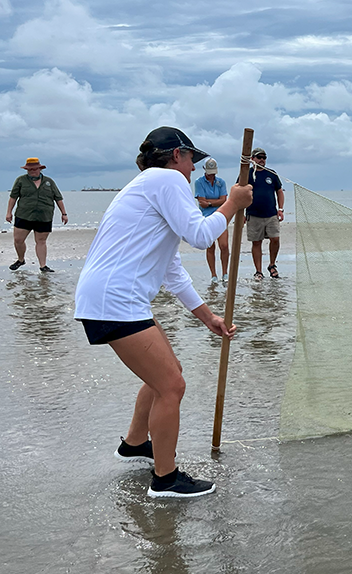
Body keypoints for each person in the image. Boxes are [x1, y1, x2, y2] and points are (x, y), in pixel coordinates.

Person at [74, 126, 253, 499]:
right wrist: (232, 204)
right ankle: (166, 479)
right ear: (177, 155)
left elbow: (171, 267)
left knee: (166, 376)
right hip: (115, 299)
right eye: (192, 160)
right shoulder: (165, 180)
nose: (193, 169)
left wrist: (208, 318)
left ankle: (136, 444)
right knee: (172, 385)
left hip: (115, 298)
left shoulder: (150, 186)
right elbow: (201, 236)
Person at [5, 158, 69, 273]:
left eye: (35, 169)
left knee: (41, 241)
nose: (32, 171)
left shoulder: (49, 182)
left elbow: (58, 198)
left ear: (40, 169)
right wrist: (9, 212)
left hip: (44, 216)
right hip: (24, 215)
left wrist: (64, 214)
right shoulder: (20, 181)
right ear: (26, 169)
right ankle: (21, 259)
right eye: (30, 169)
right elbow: (13, 197)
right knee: (18, 240)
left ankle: (43, 266)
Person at [245, 147, 284, 280]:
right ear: (252, 159)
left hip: (271, 214)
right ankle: (258, 271)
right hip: (253, 214)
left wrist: (281, 209)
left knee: (275, 239)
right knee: (256, 242)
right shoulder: (247, 174)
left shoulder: (271, 174)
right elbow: (239, 192)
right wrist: (241, 214)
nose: (262, 160)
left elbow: (279, 191)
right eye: (259, 157)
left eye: (264, 157)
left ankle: (272, 265)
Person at [195, 158, 230, 283]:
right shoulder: (199, 182)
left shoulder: (221, 182)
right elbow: (201, 203)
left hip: (221, 215)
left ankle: (225, 273)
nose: (212, 174)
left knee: (224, 245)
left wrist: (209, 202)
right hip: (206, 217)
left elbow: (224, 200)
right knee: (210, 246)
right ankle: (213, 274)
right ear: (205, 170)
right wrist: (214, 202)